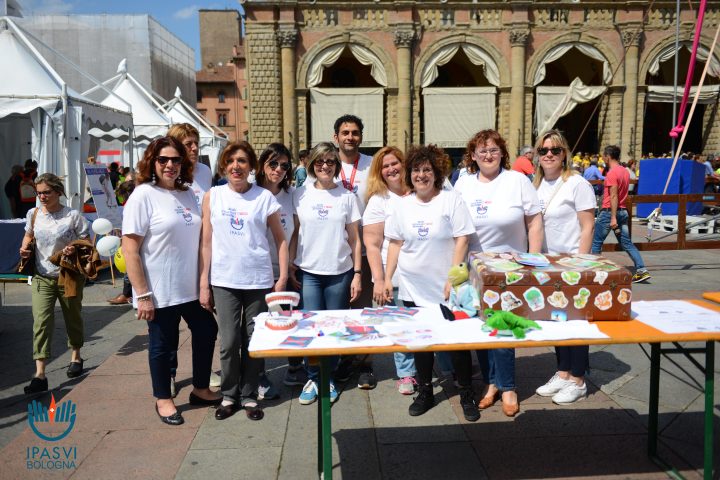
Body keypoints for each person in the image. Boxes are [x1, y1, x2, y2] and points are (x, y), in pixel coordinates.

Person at [123, 136, 221, 426]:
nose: (170, 165)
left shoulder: (188, 193)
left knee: (206, 331)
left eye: (175, 160)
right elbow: (130, 248)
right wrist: (142, 294)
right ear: (152, 162)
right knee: (163, 345)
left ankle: (200, 388)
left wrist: (206, 283)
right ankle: (163, 399)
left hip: (191, 287)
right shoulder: (143, 195)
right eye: (163, 159)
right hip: (160, 289)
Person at [383, 145, 478, 421]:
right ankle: (425, 390)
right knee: (421, 343)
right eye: (416, 170)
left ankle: (466, 392)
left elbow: (463, 238)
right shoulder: (401, 205)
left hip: (448, 284)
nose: (421, 175)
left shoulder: (451, 200)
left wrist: (454, 276)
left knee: (455, 343)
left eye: (427, 170)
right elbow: (395, 243)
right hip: (413, 285)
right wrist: (388, 278)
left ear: (436, 173)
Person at [454, 129, 543, 417]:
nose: (488, 155)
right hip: (474, 270)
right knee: (483, 328)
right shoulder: (464, 184)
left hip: (511, 270)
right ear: (473, 156)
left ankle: (508, 387)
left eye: (493, 150)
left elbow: (535, 222)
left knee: (503, 327)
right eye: (482, 151)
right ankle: (490, 383)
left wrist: (534, 259)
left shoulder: (517, 180)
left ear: (502, 153)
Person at [199, 141, 288, 421]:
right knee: (228, 341)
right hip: (224, 280)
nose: (236, 166)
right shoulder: (213, 196)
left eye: (242, 161)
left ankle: (249, 396)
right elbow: (206, 242)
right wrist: (204, 282)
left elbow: (280, 240)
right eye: (231, 161)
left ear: (252, 167)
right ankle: (229, 394)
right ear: (224, 165)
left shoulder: (264, 198)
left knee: (253, 340)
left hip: (258, 280)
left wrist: (282, 276)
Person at [290, 142, 362, 405]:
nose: (324, 166)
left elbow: (355, 239)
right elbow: (296, 232)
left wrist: (357, 273)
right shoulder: (300, 195)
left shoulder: (347, 197)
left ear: (336, 166)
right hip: (309, 271)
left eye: (330, 162)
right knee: (311, 326)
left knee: (332, 328)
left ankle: (328, 377)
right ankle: (312, 376)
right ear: (312, 165)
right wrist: (290, 263)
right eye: (320, 161)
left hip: (339, 272)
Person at [532, 130, 596, 405]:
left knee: (577, 321)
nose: (548, 154)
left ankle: (578, 379)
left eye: (555, 150)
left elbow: (588, 226)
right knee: (558, 320)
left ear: (564, 154)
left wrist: (580, 263)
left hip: (571, 263)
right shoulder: (534, 185)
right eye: (544, 150)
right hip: (547, 264)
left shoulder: (577, 183)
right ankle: (563, 372)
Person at [20, 173, 90, 394]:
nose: (41, 196)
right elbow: (29, 237)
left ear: (58, 192)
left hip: (68, 275)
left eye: (46, 192)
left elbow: (86, 241)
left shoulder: (72, 215)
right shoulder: (33, 214)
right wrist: (24, 249)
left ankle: (76, 356)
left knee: (73, 317)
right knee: (41, 322)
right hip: (42, 276)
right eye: (38, 192)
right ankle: (40, 374)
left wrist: (74, 247)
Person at [362, 146, 417, 395]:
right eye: (385, 166)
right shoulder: (379, 200)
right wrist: (379, 279)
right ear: (379, 172)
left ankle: (442, 368)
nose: (391, 169)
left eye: (395, 163)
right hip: (393, 274)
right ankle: (406, 375)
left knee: (430, 323)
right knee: (401, 326)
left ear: (403, 164)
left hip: (424, 273)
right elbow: (372, 245)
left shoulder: (421, 189)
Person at [255, 142, 304, 396]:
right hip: (257, 273)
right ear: (263, 165)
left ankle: (295, 367)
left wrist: (291, 264)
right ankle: (259, 374)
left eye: (284, 165)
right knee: (260, 324)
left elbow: (294, 232)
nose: (278, 169)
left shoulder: (291, 194)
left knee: (289, 319)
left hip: (284, 270)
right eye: (273, 163)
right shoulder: (252, 193)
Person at [333, 114, 376, 386]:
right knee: (338, 308)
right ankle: (341, 361)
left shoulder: (372, 165)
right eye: (345, 132)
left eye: (355, 132)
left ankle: (365, 364)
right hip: (335, 250)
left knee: (363, 309)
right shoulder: (326, 163)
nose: (350, 137)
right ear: (335, 137)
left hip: (366, 249)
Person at [591, 145, 651, 283]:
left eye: (603, 156)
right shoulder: (625, 171)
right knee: (627, 243)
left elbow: (613, 196)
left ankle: (596, 273)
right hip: (623, 211)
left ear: (608, 156)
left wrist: (612, 217)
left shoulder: (612, 173)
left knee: (596, 243)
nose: (603, 159)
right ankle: (641, 269)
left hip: (609, 212)